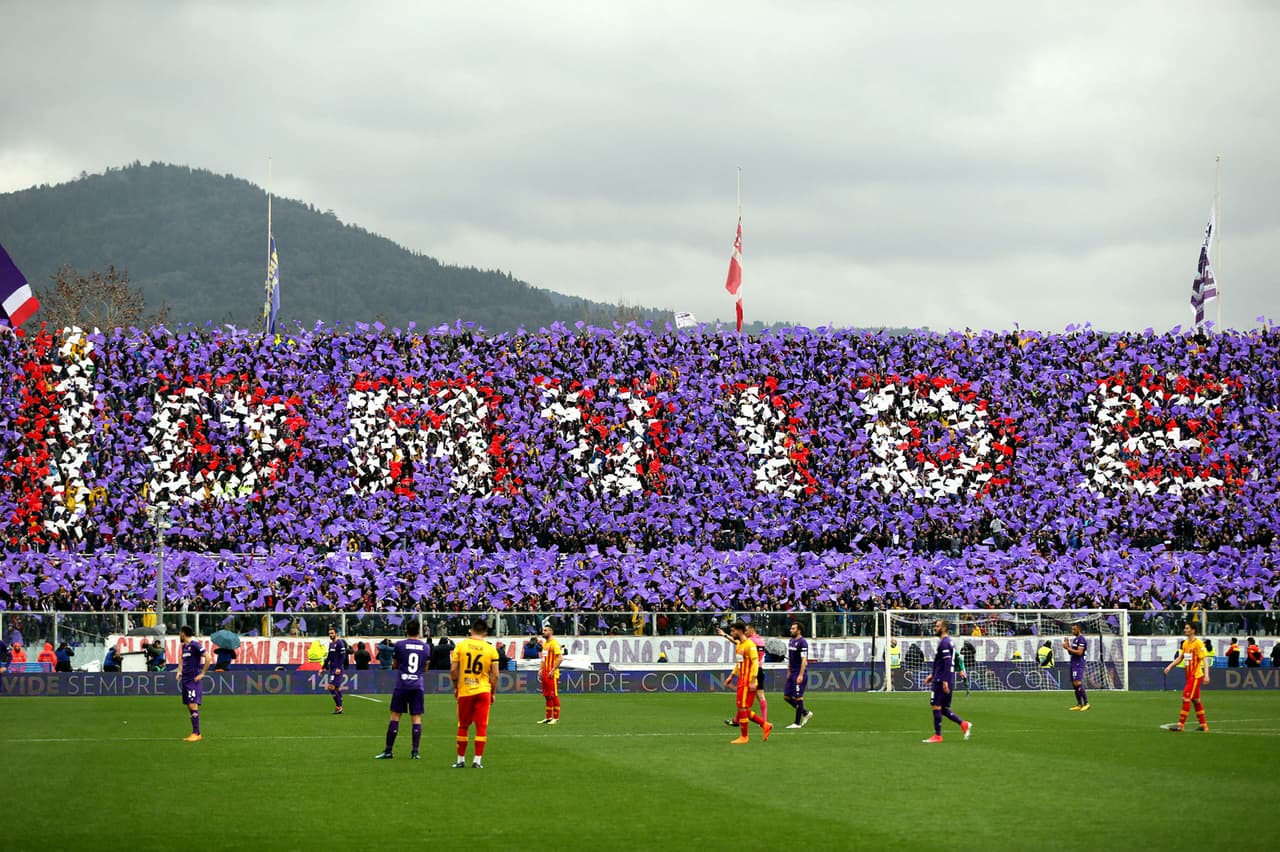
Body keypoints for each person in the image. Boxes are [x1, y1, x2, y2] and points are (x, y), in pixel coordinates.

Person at [374, 620, 431, 760]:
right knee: (416, 718)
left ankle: (388, 751)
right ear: (419, 631)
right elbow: (426, 667)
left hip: (402, 685)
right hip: (417, 685)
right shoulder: (425, 647)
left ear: (406, 631)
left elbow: (394, 665)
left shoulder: (399, 645)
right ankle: (415, 752)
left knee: (395, 716)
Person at [451, 619, 499, 768]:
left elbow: (453, 671)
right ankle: (477, 761)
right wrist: (493, 692)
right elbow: (496, 675)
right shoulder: (491, 649)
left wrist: (455, 687)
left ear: (471, 630)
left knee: (463, 725)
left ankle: (460, 760)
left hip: (465, 690)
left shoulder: (461, 646)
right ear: (485, 632)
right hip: (483, 690)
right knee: (481, 726)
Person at [922, 618, 972, 743]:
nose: (935, 628)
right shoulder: (949, 642)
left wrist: (944, 680)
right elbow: (942, 663)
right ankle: (963, 724)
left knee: (935, 706)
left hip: (941, 680)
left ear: (943, 628)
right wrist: (932, 675)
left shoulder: (944, 643)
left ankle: (938, 735)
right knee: (942, 708)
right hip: (943, 678)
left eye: (937, 626)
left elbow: (947, 662)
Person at [722, 621, 772, 744]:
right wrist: (731, 676)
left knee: (742, 708)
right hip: (741, 680)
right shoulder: (740, 645)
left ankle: (744, 737)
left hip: (748, 681)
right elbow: (739, 664)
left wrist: (754, 680)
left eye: (733, 631)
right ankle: (765, 725)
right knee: (744, 709)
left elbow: (755, 663)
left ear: (739, 631)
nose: (731, 633)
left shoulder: (750, 645)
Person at [1163, 622, 1209, 732]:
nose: (1185, 630)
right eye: (1185, 628)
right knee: (1196, 700)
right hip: (1189, 676)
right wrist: (1170, 666)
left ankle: (1180, 725)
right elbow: (1181, 658)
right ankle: (1203, 725)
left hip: (1195, 675)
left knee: (1185, 698)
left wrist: (1206, 675)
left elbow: (1205, 659)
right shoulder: (1185, 644)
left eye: (1187, 628)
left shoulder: (1198, 644)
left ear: (1193, 630)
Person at [177, 625, 209, 742]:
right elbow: (181, 658)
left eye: (180, 633)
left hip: (193, 680)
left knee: (192, 705)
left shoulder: (195, 645)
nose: (179, 635)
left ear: (183, 633)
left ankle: (196, 733)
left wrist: (202, 673)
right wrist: (180, 671)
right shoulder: (184, 647)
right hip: (185, 680)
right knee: (189, 707)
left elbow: (208, 656)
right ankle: (196, 732)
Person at [783, 621, 812, 729]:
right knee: (786, 696)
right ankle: (805, 712)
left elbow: (804, 659)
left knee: (798, 697)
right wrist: (789, 671)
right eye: (791, 628)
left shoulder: (802, 642)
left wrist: (800, 675)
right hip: (792, 673)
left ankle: (797, 723)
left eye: (793, 628)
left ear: (799, 630)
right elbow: (791, 658)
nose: (791, 630)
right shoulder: (791, 641)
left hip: (799, 673)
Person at [536, 623, 563, 724]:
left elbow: (560, 658)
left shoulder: (554, 644)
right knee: (547, 695)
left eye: (546, 630)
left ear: (551, 632)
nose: (543, 632)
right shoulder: (545, 644)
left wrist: (552, 670)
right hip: (545, 673)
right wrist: (540, 669)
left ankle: (556, 718)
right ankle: (548, 717)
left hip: (552, 674)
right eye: (543, 630)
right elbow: (543, 659)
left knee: (554, 695)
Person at [323, 626, 351, 715]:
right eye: (329, 633)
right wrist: (323, 667)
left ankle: (339, 706)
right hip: (332, 668)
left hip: (337, 669)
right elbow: (329, 658)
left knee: (331, 687)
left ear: (336, 633)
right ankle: (339, 707)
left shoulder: (340, 643)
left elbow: (343, 656)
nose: (330, 635)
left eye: (332, 633)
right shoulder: (331, 644)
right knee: (337, 688)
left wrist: (339, 667)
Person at [1063, 624, 1089, 711]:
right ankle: (1079, 704)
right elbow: (1071, 653)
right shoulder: (1075, 640)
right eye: (1072, 629)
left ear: (1079, 629)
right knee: (1074, 684)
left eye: (1074, 629)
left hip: (1078, 663)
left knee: (1077, 683)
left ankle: (1086, 703)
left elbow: (1079, 653)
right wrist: (1068, 647)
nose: (1073, 631)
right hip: (1073, 663)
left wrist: (1067, 647)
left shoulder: (1082, 639)